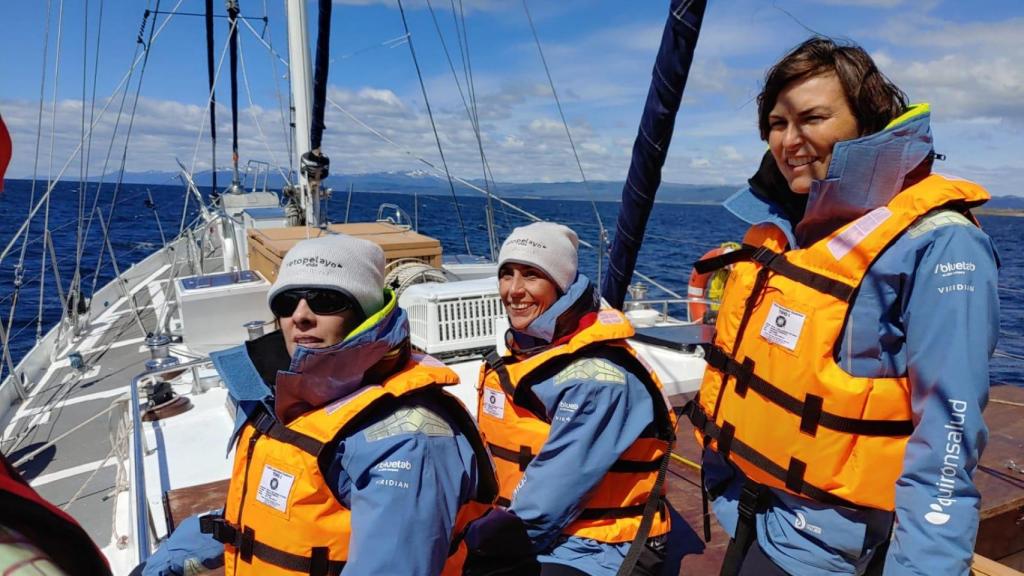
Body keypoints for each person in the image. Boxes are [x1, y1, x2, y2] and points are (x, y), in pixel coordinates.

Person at [684, 37, 1000, 575]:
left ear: (867, 120)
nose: (790, 140)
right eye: (777, 124)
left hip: (825, 551)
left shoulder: (941, 243)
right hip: (747, 510)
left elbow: (949, 435)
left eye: (812, 118)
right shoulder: (793, 229)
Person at [141, 233, 495, 576]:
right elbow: (261, 511)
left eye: (326, 301)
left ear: (367, 315)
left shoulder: (409, 440)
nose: (301, 315)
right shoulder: (282, 395)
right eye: (286, 302)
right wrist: (171, 559)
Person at [466, 222, 680, 576]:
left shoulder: (598, 381)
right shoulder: (534, 350)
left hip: (598, 548)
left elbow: (550, 498)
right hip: (545, 533)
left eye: (531, 275)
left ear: (560, 284)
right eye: (506, 274)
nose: (513, 291)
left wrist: (488, 548)